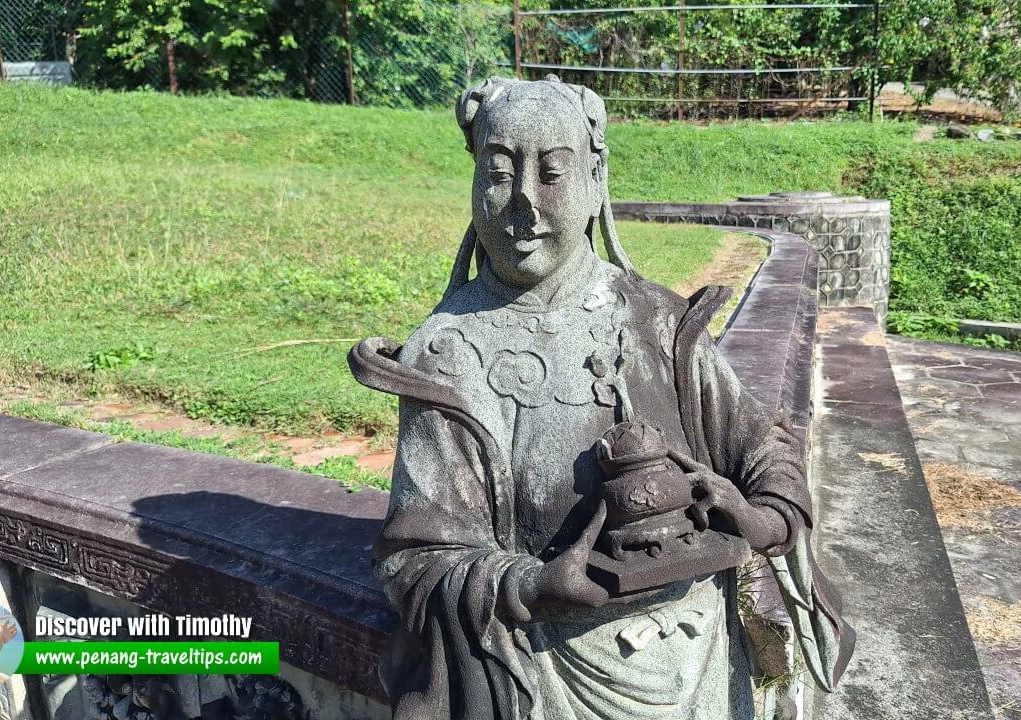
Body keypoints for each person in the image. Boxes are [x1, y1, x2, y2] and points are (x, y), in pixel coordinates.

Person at [349, 76, 852, 720]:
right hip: (540, 675)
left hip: (702, 662)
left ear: (595, 178)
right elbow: (418, 561)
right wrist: (534, 583)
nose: (523, 203)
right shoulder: (446, 354)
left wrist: (765, 515)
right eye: (498, 174)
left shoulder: (656, 323)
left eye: (552, 172)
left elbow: (762, 448)